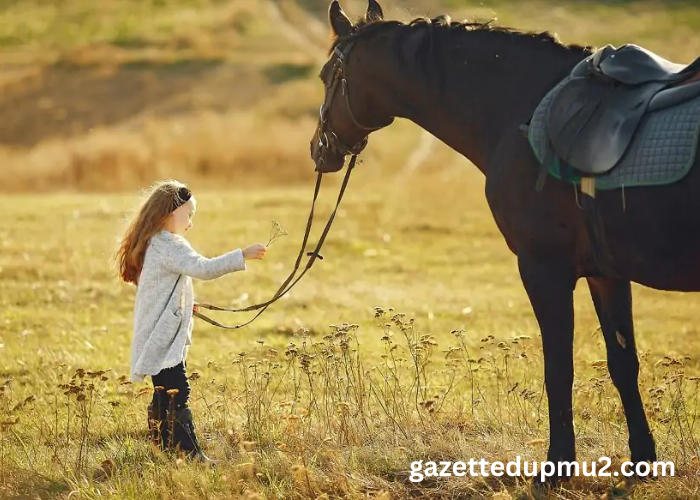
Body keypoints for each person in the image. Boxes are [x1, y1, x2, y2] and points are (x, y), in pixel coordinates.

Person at [115, 180, 266, 462]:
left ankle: (163, 448)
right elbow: (203, 268)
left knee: (163, 390)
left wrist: (185, 307)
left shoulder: (155, 242)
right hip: (162, 334)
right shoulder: (169, 245)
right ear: (169, 214)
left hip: (159, 330)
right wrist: (241, 255)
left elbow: (164, 288)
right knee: (177, 389)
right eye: (189, 215)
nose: (190, 223)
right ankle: (190, 455)